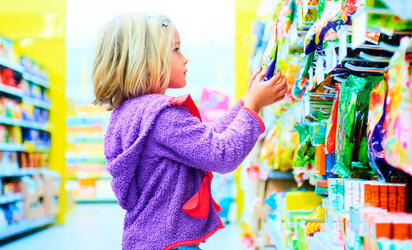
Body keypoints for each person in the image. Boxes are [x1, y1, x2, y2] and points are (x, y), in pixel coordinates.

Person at [92, 13, 287, 250]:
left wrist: (245, 103)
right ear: (146, 61)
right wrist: (253, 107)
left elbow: (205, 139)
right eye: (175, 50)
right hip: (171, 244)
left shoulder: (132, 113)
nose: (185, 59)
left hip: (148, 239)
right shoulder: (162, 116)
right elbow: (222, 154)